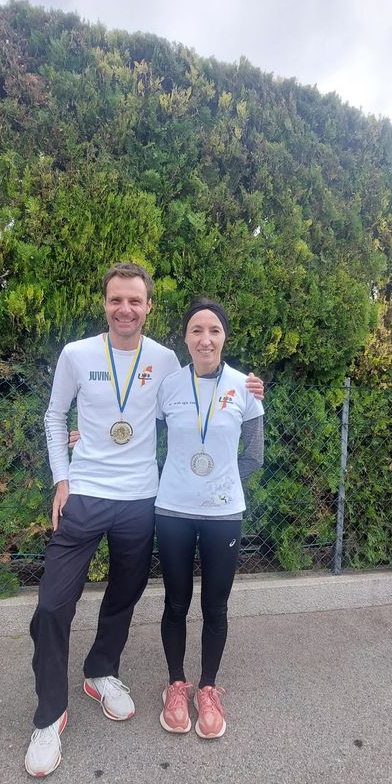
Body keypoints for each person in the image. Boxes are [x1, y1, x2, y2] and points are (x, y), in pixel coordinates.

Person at [25, 264, 263, 777]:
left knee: (124, 595)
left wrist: (248, 391)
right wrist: (61, 478)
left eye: (135, 300)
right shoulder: (76, 355)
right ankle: (48, 716)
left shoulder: (164, 360)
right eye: (117, 300)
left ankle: (101, 671)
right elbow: (54, 416)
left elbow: (190, 411)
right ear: (105, 303)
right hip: (84, 494)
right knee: (51, 605)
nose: (126, 309)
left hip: (141, 499)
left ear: (149, 306)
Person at [156, 299, 264, 739]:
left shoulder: (245, 388)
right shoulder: (168, 387)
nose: (205, 338)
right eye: (196, 330)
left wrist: (218, 482)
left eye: (214, 330)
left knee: (215, 606)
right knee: (176, 602)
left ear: (224, 337)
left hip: (223, 515)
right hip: (173, 512)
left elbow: (254, 456)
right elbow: (141, 440)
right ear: (185, 337)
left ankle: (208, 688)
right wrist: (87, 437)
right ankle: (176, 686)